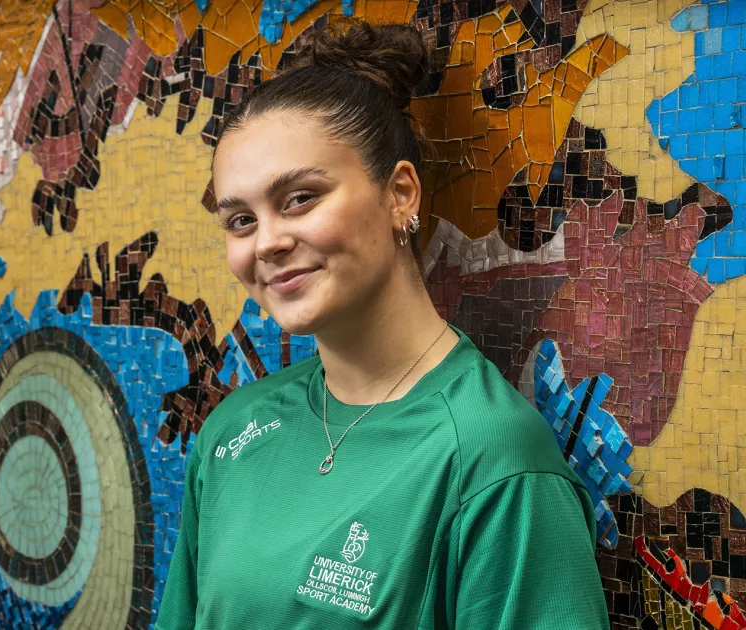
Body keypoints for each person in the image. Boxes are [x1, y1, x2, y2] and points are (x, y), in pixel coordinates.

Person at [156, 19, 609, 629]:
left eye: (299, 199)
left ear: (399, 194)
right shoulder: (232, 431)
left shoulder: (493, 460)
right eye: (241, 220)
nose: (266, 242)